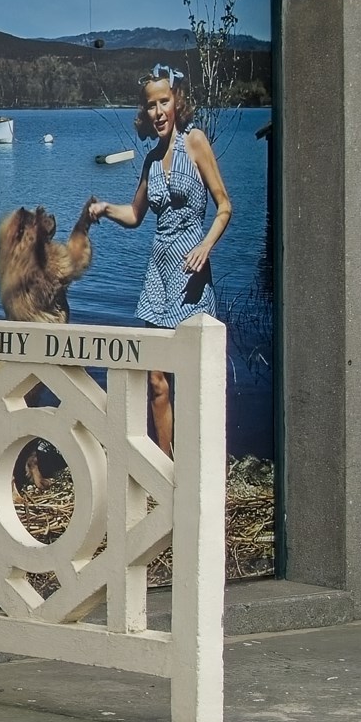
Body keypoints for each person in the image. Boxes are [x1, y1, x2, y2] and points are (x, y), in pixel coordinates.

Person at [85, 64, 231, 456]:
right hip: (158, 276)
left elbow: (224, 206)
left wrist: (205, 246)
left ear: (177, 101)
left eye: (164, 102)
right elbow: (135, 215)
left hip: (191, 276)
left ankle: (197, 462)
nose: (158, 112)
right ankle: (165, 464)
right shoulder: (150, 160)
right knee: (155, 379)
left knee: (194, 377)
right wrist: (104, 209)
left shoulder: (195, 142)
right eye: (151, 105)